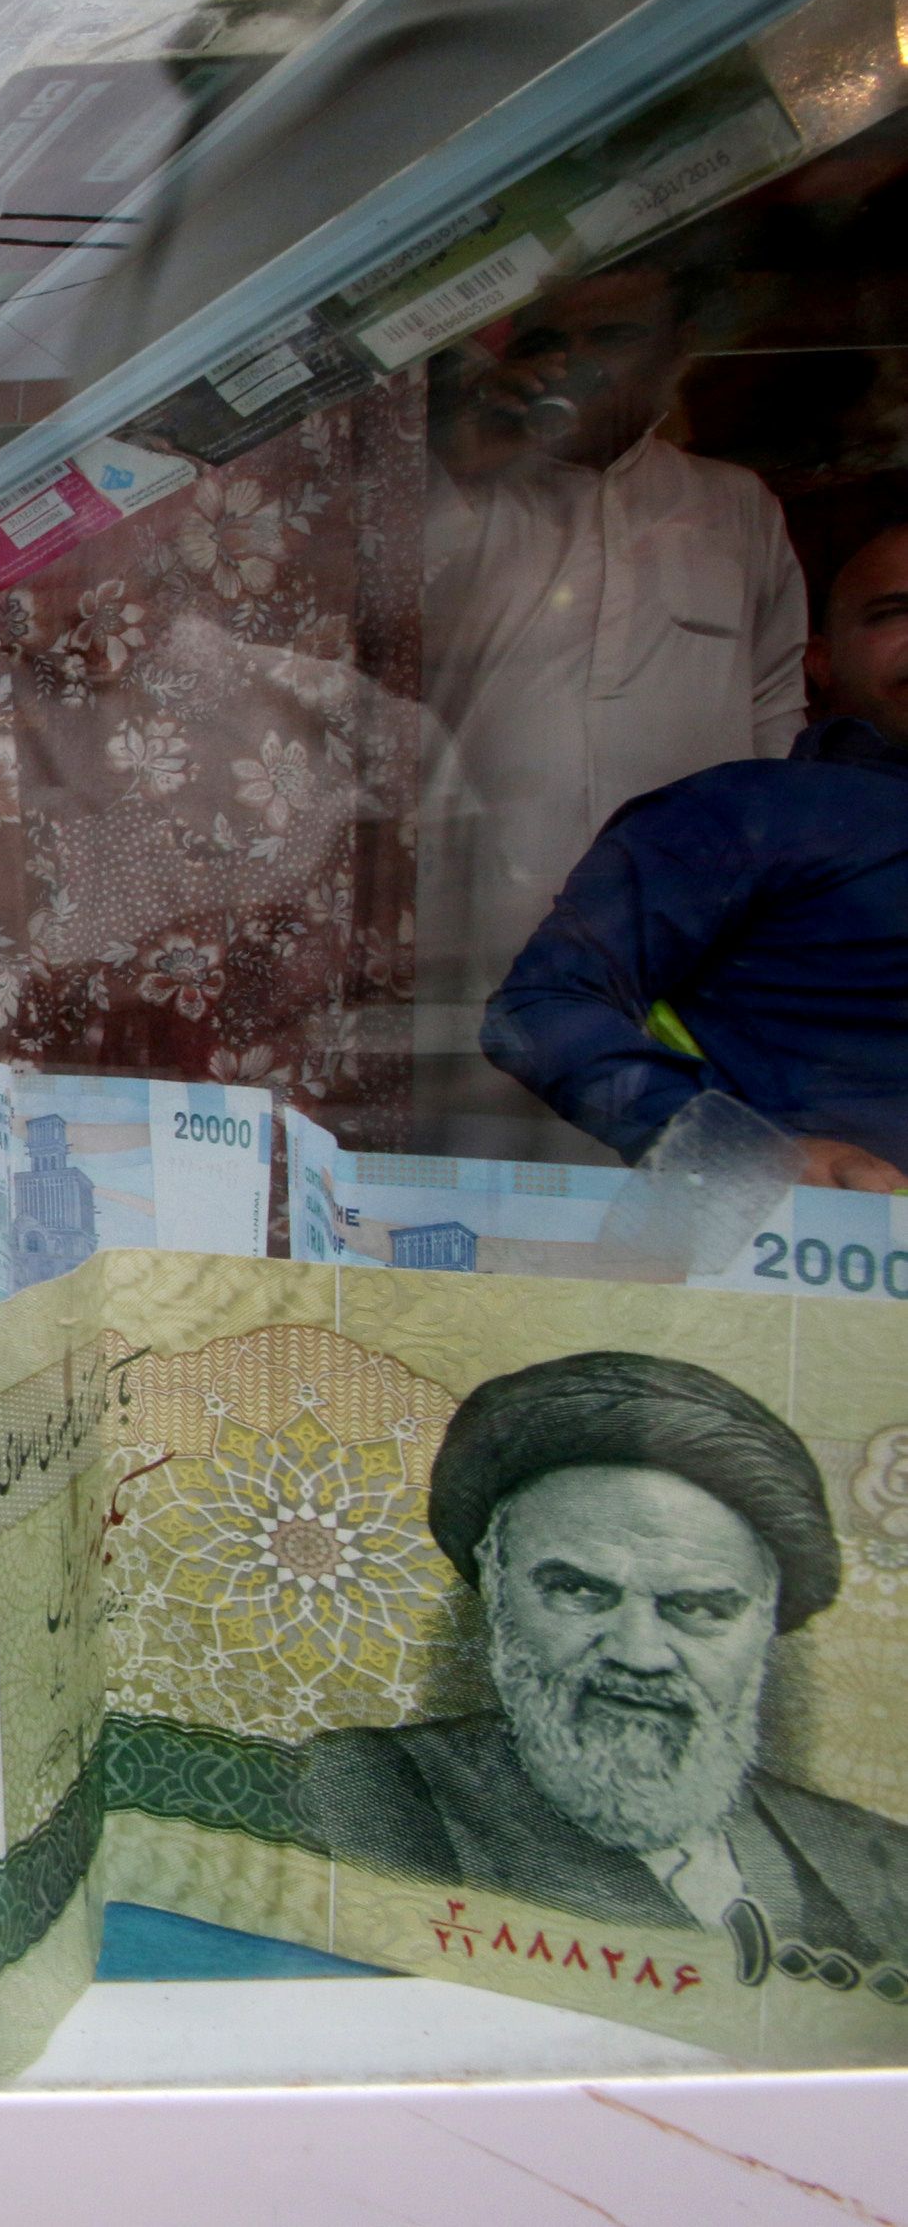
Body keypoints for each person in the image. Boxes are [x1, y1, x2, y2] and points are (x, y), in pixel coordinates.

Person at [300, 1353, 908, 1968]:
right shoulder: (364, 1796)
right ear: (498, 1589)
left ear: (764, 1625)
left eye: (696, 1606)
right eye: (578, 1591)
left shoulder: (877, 1862)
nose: (638, 1654)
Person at [414, 262, 808, 1140]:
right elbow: (388, 636)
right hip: (480, 924)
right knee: (482, 1172)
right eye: (551, 341)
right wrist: (469, 459)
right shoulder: (466, 496)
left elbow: (778, 715)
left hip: (691, 936)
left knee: (677, 1162)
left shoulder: (733, 507)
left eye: (611, 337)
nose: (576, 363)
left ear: (679, 351)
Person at [482, 493, 908, 1189]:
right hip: (817, 1265)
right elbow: (540, 1008)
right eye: (896, 613)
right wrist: (743, 1156)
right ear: (821, 661)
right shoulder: (748, 811)